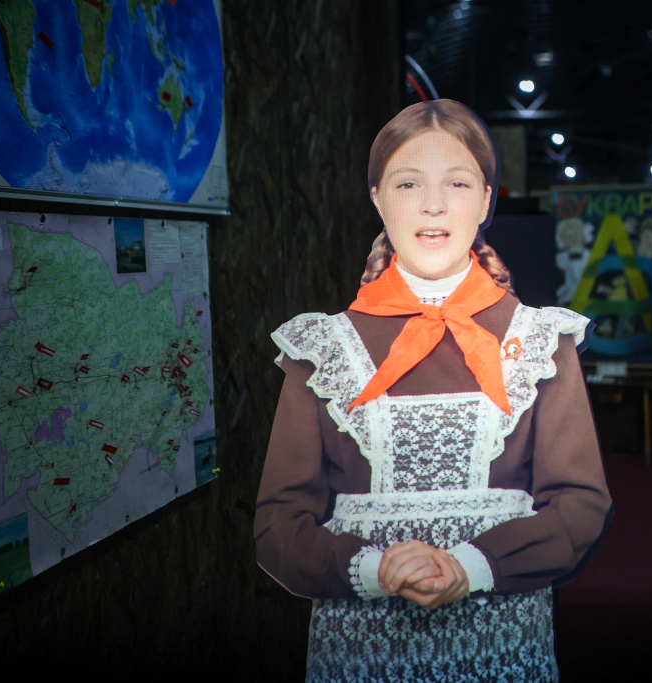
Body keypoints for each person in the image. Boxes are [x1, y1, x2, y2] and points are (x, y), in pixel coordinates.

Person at [255, 99, 612, 682]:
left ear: (486, 201)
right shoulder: (321, 347)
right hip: (361, 654)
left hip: (503, 649)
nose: (434, 204)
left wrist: (474, 565)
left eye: (458, 182)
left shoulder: (543, 340)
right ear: (377, 197)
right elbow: (278, 524)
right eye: (408, 183)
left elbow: (580, 506)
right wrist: (372, 569)